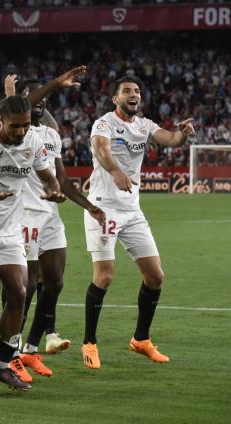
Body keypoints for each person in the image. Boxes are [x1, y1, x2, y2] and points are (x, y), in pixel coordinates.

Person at [81, 75, 194, 369]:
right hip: (103, 209)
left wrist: (184, 134)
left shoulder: (144, 125)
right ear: (115, 98)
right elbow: (101, 149)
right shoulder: (104, 123)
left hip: (132, 212)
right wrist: (117, 171)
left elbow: (170, 139)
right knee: (104, 275)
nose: (134, 94)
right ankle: (89, 342)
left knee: (155, 276)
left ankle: (140, 340)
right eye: (127, 91)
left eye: (137, 91)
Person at [0, 95, 66, 394]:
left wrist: (54, 191)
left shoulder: (33, 141)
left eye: (25, 125)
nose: (21, 131)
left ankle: (4, 365)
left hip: (9, 229)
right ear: (1, 122)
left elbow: (48, 177)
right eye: (15, 126)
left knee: (19, 292)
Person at [10, 81, 106, 380]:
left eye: (43, 98)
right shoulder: (14, 131)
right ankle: (9, 355)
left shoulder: (51, 135)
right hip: (24, 216)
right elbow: (14, 109)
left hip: (50, 216)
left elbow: (61, 179)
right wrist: (16, 96)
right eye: (31, 98)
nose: (38, 102)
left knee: (55, 283)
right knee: (22, 291)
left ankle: (30, 348)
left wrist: (88, 205)